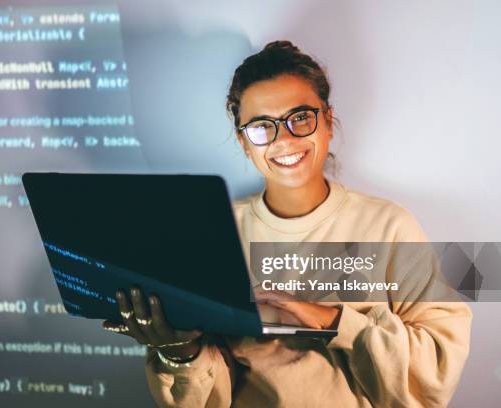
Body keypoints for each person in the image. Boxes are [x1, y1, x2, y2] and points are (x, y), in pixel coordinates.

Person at [102, 41, 472, 407]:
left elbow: (436, 374)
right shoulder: (212, 232)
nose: (284, 139)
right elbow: (204, 398)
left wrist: (328, 319)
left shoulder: (389, 225)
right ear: (244, 143)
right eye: (262, 127)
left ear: (327, 121)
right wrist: (180, 351)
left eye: (300, 118)